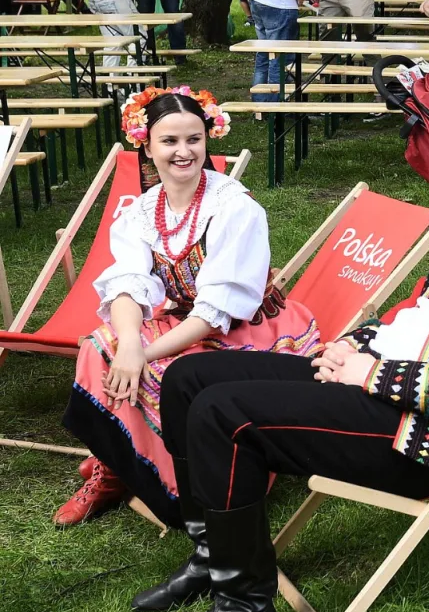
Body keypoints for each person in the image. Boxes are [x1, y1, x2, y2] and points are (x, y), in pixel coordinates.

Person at [135, 119, 429, 612]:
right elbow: (411, 311)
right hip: (368, 381)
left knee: (222, 414)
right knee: (189, 375)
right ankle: (212, 554)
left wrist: (371, 374)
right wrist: (350, 348)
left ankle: (245, 610)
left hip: (415, 435)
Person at [55, 87, 323, 529]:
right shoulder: (144, 209)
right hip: (186, 317)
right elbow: (128, 287)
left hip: (243, 329)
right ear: (147, 146)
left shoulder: (234, 208)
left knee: (164, 373)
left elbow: (216, 310)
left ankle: (182, 489)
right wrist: (127, 346)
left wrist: (141, 354)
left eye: (194, 139)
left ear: (208, 138)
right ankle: (115, 464)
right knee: (97, 347)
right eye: (170, 141)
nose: (184, 152)